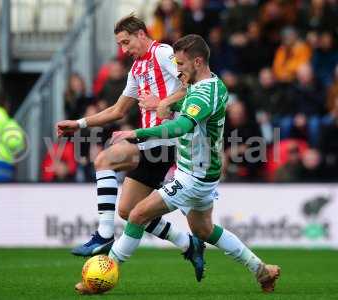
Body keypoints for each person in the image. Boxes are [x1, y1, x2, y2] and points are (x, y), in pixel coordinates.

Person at [75, 34, 281, 294]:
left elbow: (181, 126)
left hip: (193, 176)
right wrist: (163, 103)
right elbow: (187, 104)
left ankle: (102, 277)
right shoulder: (211, 85)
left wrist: (135, 134)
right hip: (203, 172)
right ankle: (261, 270)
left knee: (137, 214)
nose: (177, 69)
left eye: (181, 64)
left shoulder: (203, 94)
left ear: (197, 61)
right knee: (203, 229)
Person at [56, 15, 202, 274]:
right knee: (128, 211)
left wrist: (164, 101)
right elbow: (118, 109)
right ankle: (187, 243)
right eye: (120, 45)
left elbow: (191, 83)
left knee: (104, 160)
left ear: (141, 35)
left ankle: (103, 234)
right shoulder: (136, 68)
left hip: (167, 140)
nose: (124, 49)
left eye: (126, 42)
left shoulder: (163, 52)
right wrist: (79, 124)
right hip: (148, 143)